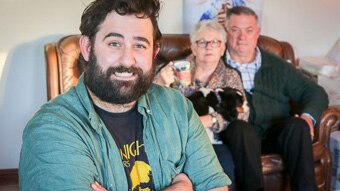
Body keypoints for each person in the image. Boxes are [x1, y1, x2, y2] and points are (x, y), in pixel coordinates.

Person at [18, 0, 231, 190]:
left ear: (154, 53)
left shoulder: (178, 107)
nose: (127, 60)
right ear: (87, 47)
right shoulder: (52, 128)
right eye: (114, 43)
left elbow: (216, 187)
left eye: (139, 45)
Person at [220, 6, 329, 191]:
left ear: (258, 33)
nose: (242, 37)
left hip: (274, 135)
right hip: (239, 139)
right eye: (235, 30)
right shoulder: (215, 64)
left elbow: (316, 92)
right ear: (226, 31)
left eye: (249, 30)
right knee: (240, 127)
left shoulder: (277, 65)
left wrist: (307, 117)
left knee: (298, 126)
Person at [155, 19, 249, 191]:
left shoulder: (230, 75)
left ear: (222, 48)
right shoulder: (175, 69)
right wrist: (160, 82)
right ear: (193, 47)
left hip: (216, 141)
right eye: (202, 42)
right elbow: (151, 104)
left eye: (215, 42)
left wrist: (209, 120)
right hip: (179, 139)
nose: (209, 47)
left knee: (223, 172)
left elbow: (242, 112)